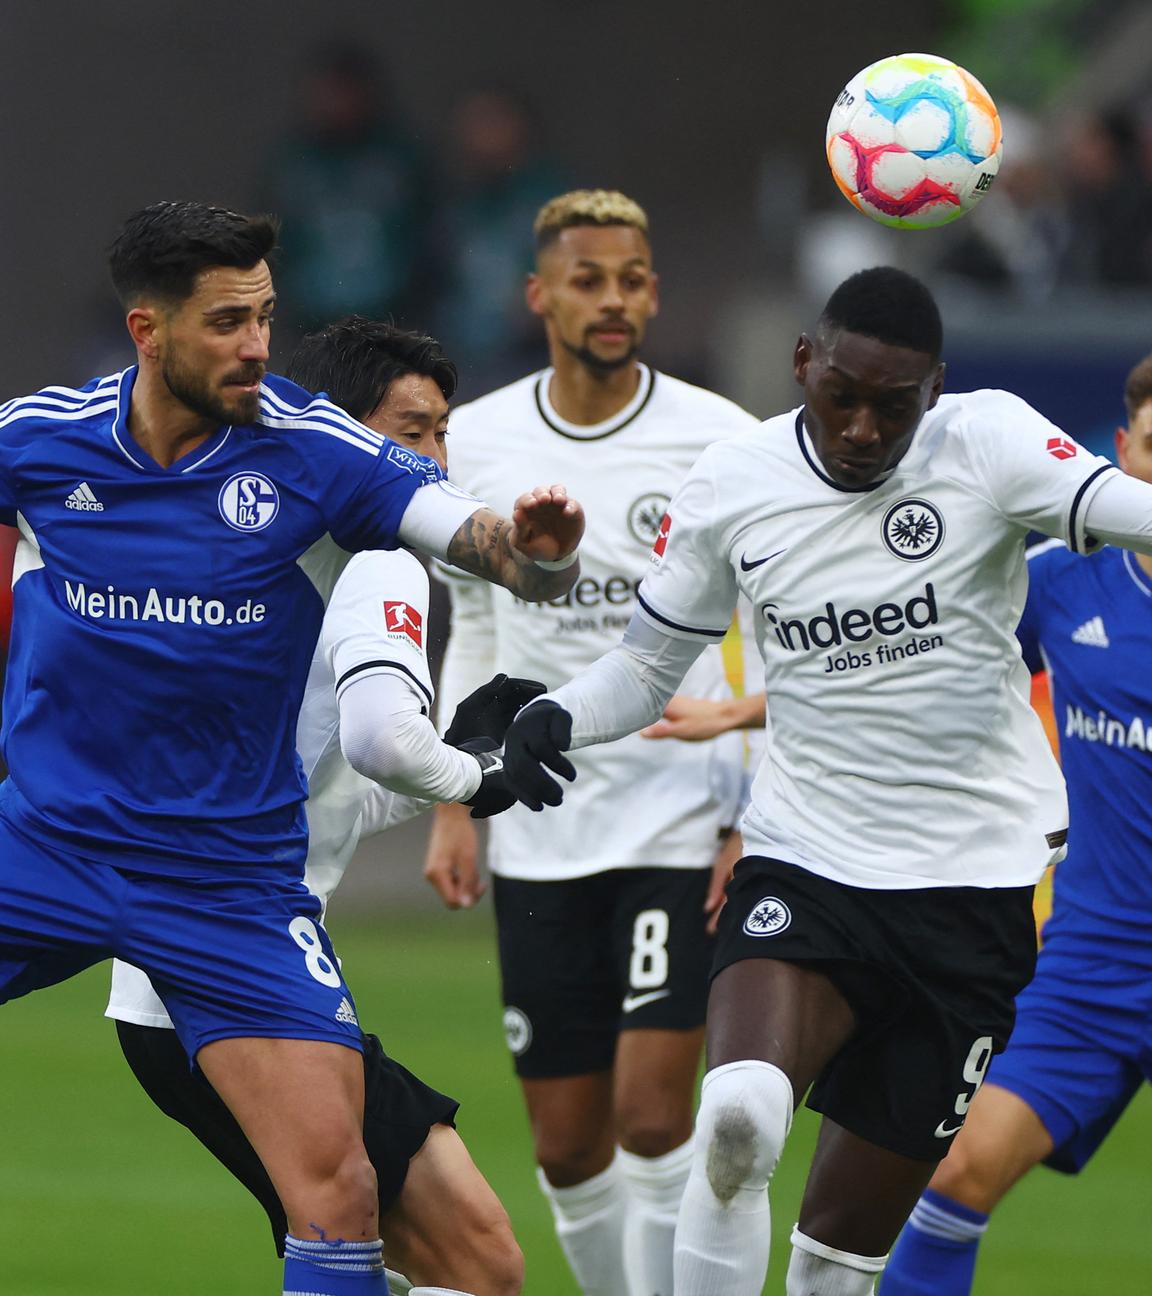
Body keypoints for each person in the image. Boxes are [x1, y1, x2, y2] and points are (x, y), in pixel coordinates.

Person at [498, 265, 1152, 1296]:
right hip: (806, 865)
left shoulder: (988, 443)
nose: (859, 428)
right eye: (839, 395)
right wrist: (557, 714)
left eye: (890, 408)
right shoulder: (733, 484)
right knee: (738, 1118)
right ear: (804, 363)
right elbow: (644, 670)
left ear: (931, 391)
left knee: (836, 1264)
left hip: (971, 891)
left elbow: (1136, 510)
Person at [0, 200, 584, 1296]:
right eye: (227, 322)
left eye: (266, 317)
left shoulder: (314, 450)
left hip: (225, 888)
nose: (258, 346)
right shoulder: (39, 441)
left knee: (341, 1197)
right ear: (147, 331)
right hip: (45, 845)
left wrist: (538, 557)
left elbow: (473, 539)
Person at [104, 317, 538, 1296]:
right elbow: (386, 737)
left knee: (379, 1257)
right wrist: (475, 781)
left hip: (174, 992)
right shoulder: (377, 557)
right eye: (411, 432)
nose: (435, 460)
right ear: (340, 436)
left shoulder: (258, 553)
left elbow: (327, 787)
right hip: (231, 980)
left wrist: (458, 752)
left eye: (442, 435)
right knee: (477, 1263)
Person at [424, 189, 757, 1296]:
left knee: (657, 1118)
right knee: (568, 1145)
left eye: (630, 280)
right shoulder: (477, 440)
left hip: (678, 807)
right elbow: (470, 619)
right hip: (538, 822)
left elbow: (766, 633)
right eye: (587, 279)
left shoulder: (721, 438)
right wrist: (452, 797)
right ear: (540, 295)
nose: (611, 300)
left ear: (654, 293)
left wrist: (748, 816)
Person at [880, 352, 1152, 1295]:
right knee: (953, 1175)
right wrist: (758, 714)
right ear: (1122, 452)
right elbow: (930, 664)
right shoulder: (1063, 579)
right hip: (1099, 957)